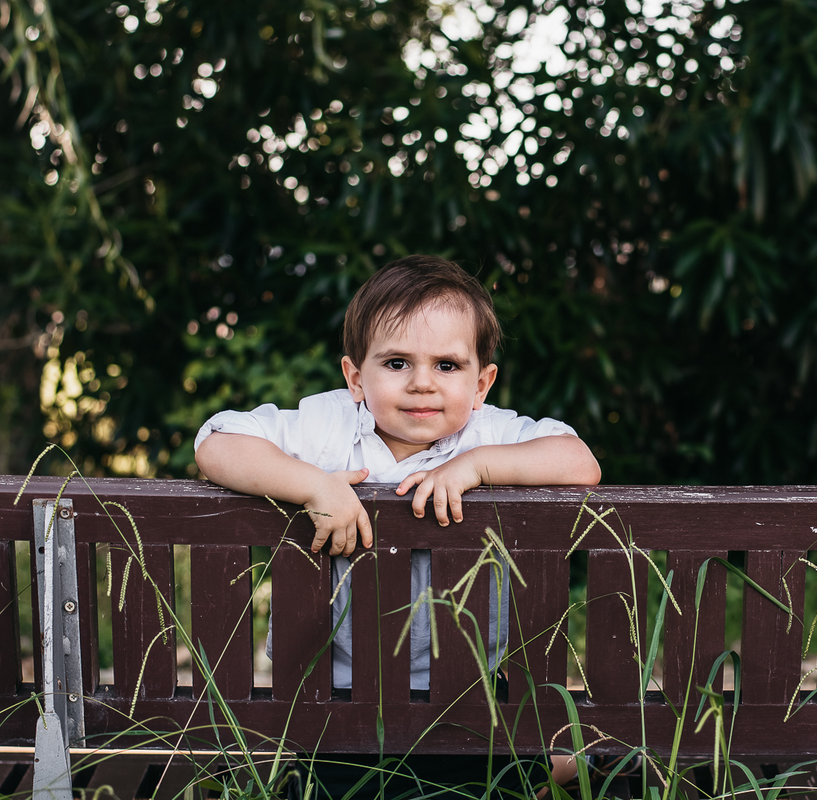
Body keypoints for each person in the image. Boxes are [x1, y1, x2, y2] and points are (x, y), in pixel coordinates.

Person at [194, 254, 600, 798]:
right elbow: (218, 443)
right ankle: (555, 769)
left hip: (472, 695)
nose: (422, 385)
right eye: (397, 364)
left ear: (482, 385)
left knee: (474, 777)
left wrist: (476, 467)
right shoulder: (328, 428)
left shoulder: (489, 436)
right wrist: (314, 485)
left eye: (447, 367)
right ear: (356, 377)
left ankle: (549, 767)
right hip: (335, 696)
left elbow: (580, 462)